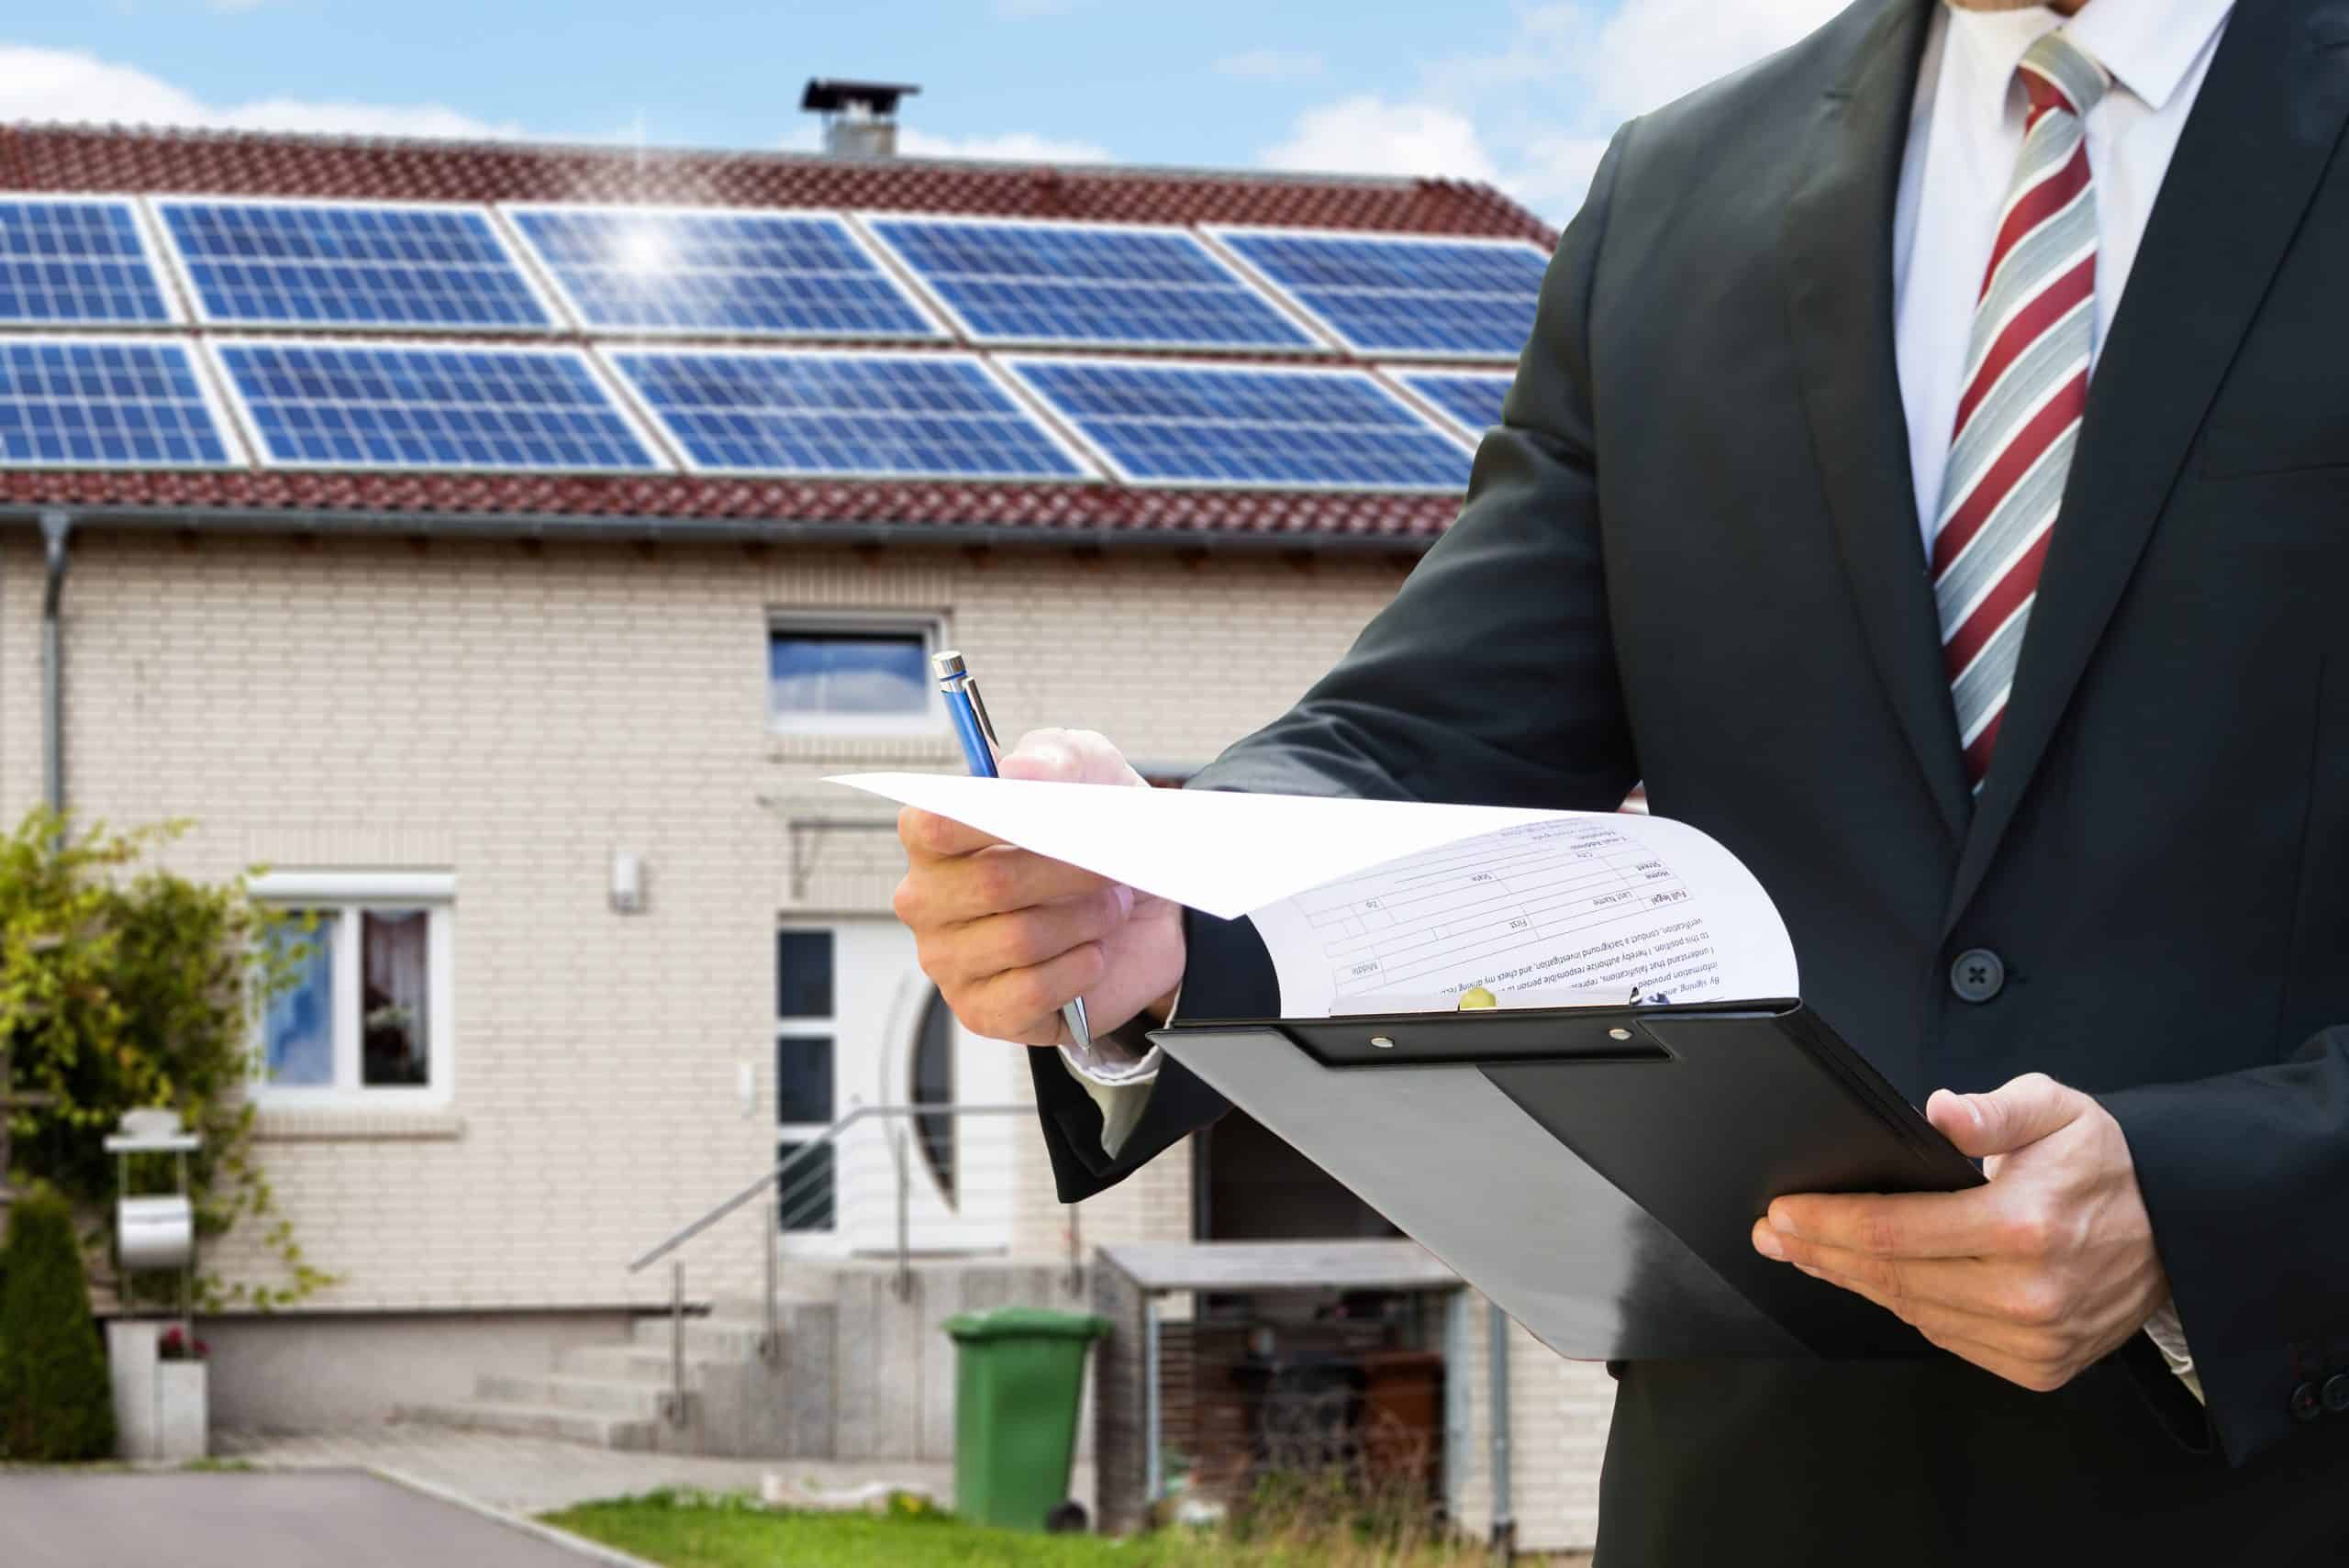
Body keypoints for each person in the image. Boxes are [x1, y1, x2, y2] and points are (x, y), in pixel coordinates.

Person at [891, 0, 2349, 1558]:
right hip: (1750, 1499)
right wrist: (1160, 900)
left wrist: (2214, 1212)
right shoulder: (1679, 195)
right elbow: (1432, 729)